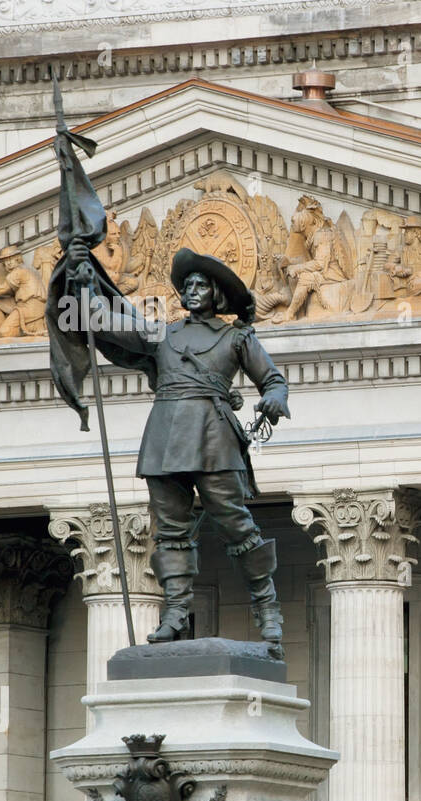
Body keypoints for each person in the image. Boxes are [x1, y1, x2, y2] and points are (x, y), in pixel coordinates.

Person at [58, 240, 291, 650]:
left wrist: (274, 398)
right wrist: (81, 279)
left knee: (238, 526)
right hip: (165, 435)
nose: (193, 290)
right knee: (170, 532)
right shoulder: (160, 334)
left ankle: (267, 607)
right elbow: (103, 322)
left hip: (213, 435)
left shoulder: (236, 337)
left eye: (201, 284)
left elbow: (272, 379)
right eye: (189, 284)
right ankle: (176, 612)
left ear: (216, 294)